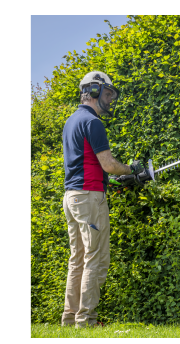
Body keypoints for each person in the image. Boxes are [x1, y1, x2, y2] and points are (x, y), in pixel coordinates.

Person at [61, 71, 144, 328]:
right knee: (95, 259)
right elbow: (107, 164)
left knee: (77, 258)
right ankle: (86, 320)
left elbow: (84, 163)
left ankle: (69, 317)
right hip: (89, 198)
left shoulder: (71, 121)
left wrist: (111, 180)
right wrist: (132, 169)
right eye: (107, 94)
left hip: (72, 197)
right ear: (94, 91)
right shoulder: (93, 122)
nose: (110, 100)